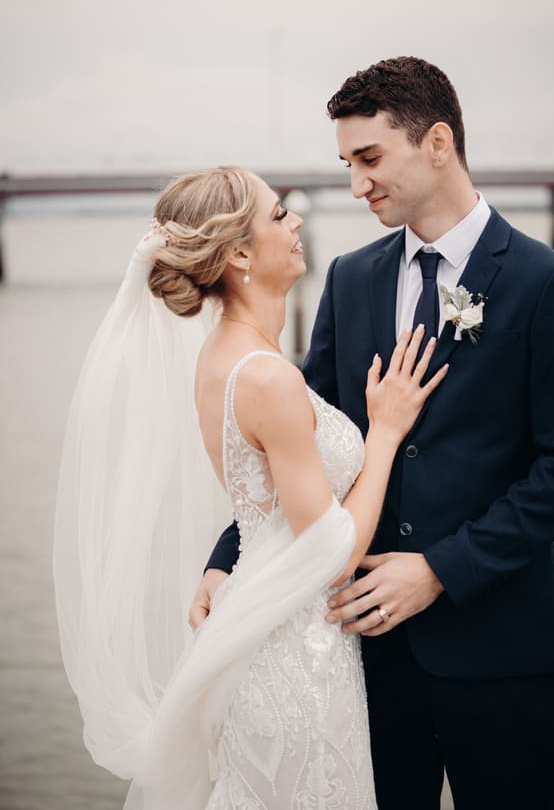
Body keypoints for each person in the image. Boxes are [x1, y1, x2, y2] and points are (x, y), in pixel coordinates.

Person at [201, 59, 554, 810]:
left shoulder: (547, 283)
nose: (356, 185)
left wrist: (440, 568)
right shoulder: (349, 278)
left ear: (438, 142)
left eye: (370, 159)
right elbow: (305, 435)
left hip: (505, 654)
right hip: (365, 660)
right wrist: (229, 557)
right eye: (347, 164)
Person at [54, 165, 448, 809]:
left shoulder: (225, 357)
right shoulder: (266, 377)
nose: (297, 222)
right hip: (294, 655)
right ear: (238, 253)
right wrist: (384, 433)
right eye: (277, 215)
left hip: (269, 629)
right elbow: (333, 554)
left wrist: (222, 563)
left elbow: (264, 513)